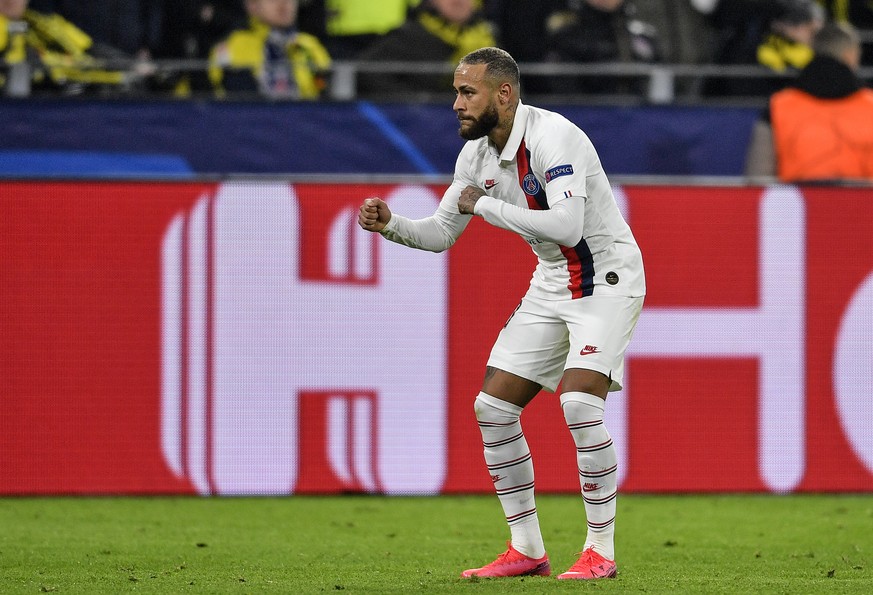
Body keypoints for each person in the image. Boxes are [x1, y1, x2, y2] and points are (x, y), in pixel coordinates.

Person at [357, 47, 645, 579]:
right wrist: (391, 223)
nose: (456, 104)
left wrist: (484, 206)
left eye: (467, 92)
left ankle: (600, 551)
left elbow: (567, 227)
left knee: (580, 405)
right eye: (456, 92)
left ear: (503, 94)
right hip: (553, 282)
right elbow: (442, 232)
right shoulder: (476, 156)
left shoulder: (555, 138)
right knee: (492, 408)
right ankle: (527, 550)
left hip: (606, 278)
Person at [745, 22, 873, 182]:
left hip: (797, 205)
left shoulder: (779, 106)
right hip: (863, 205)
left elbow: (757, 180)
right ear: (850, 56)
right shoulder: (870, 106)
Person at [355, 0, 496, 99]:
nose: (458, 1)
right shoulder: (410, 35)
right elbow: (367, 72)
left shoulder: (488, 40)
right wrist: (414, 102)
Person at [0, 0, 130, 96]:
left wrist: (126, 67)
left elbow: (88, 47)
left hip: (61, 90)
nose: (17, 2)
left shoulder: (39, 21)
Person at [208, 0, 331, 99]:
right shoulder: (232, 46)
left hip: (306, 125)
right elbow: (234, 99)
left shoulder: (310, 46)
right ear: (252, 5)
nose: (284, 3)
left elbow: (328, 94)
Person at [543, 0, 661, 96]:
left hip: (644, 118)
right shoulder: (567, 37)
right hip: (588, 117)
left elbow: (663, 84)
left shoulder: (644, 36)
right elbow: (564, 91)